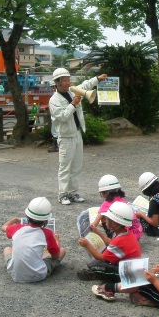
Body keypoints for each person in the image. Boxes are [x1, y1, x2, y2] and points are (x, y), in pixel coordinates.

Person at [91, 220, 159, 315]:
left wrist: (154, 280)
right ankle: (113, 288)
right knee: (155, 281)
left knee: (142, 283)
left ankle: (109, 288)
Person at [49, 68, 107, 205]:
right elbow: (62, 117)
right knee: (65, 166)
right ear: (57, 82)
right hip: (65, 137)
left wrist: (97, 79)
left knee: (76, 166)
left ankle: (72, 192)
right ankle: (62, 194)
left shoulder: (72, 91)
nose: (68, 82)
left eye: (68, 79)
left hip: (77, 133)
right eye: (65, 80)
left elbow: (86, 85)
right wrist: (73, 104)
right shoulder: (54, 100)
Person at [1, 197, 66, 283]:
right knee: (62, 251)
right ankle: (47, 271)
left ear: (27, 215)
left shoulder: (17, 228)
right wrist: (57, 240)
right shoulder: (47, 233)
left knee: (7, 249)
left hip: (15, 275)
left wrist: (15, 220)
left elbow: (3, 228)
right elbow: (55, 256)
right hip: (38, 275)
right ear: (46, 219)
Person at [77, 202, 141, 281]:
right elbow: (109, 241)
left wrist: (87, 244)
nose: (104, 220)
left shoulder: (119, 240)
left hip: (128, 272)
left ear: (114, 224)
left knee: (93, 265)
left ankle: (100, 275)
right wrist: (97, 231)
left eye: (106, 219)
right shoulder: (125, 232)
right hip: (132, 266)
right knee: (104, 252)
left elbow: (100, 257)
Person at [90, 174, 142, 240]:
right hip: (137, 234)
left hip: (123, 238)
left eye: (101, 193)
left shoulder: (105, 204)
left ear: (105, 192)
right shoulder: (122, 200)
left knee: (103, 217)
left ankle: (111, 237)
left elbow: (94, 225)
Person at [47, 81, 59, 153]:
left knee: (54, 131)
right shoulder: (58, 94)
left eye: (52, 87)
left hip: (55, 115)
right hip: (57, 115)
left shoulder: (55, 95)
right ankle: (57, 146)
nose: (51, 88)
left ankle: (56, 146)